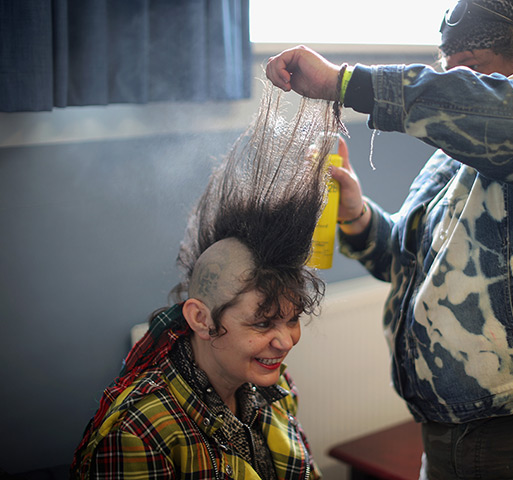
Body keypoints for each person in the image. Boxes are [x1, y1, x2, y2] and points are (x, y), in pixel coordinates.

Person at [266, 0, 513, 478]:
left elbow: (508, 117)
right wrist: (355, 214)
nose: (464, 88)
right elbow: (409, 258)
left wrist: (345, 84)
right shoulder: (457, 155)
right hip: (457, 429)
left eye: (476, 72)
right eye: (452, 73)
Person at [70, 86, 341, 479]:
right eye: (262, 323)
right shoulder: (140, 432)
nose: (285, 341)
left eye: (292, 319)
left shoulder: (271, 385)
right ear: (200, 318)